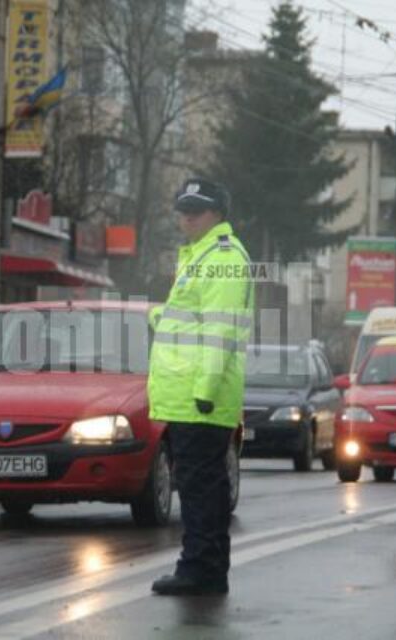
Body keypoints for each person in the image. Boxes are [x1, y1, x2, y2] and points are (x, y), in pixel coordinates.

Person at [148, 178, 253, 596]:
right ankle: (201, 567)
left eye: (198, 209)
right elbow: (193, 319)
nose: (187, 216)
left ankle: (201, 570)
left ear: (218, 213)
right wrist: (159, 316)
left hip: (199, 400)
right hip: (187, 397)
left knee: (201, 489)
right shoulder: (201, 256)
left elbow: (220, 332)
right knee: (196, 487)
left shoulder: (222, 258)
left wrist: (206, 392)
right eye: (183, 208)